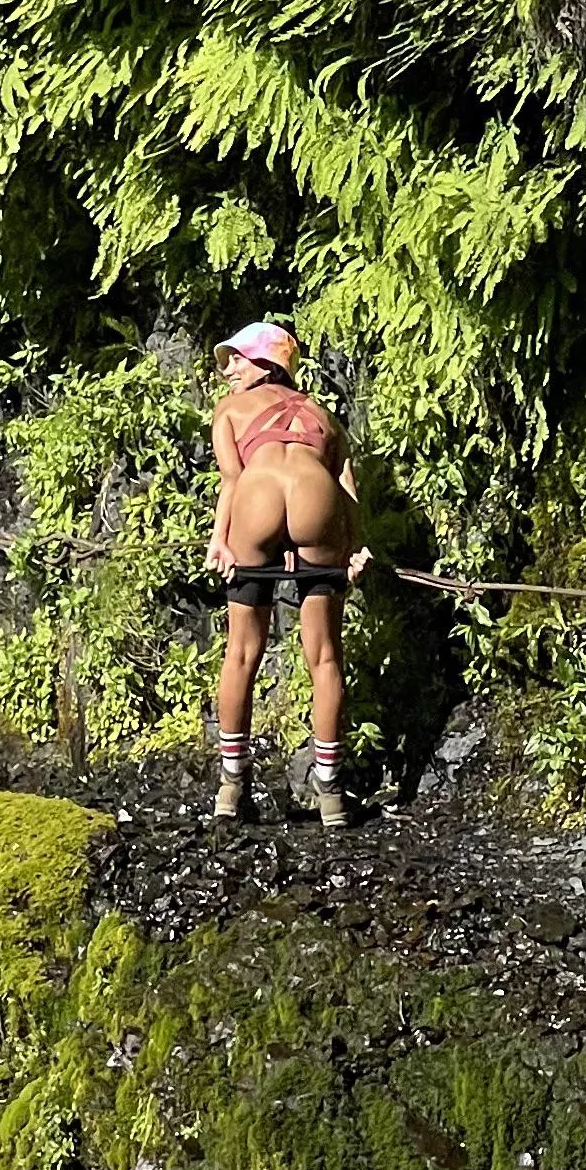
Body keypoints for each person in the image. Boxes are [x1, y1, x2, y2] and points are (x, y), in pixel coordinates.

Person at [206, 321, 365, 824]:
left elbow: (233, 480)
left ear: (265, 365)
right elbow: (345, 486)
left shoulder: (230, 410)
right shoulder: (324, 416)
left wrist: (219, 539)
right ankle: (331, 791)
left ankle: (232, 787)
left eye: (237, 358)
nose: (228, 368)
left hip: (257, 494)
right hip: (315, 494)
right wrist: (357, 544)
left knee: (242, 652)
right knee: (323, 657)